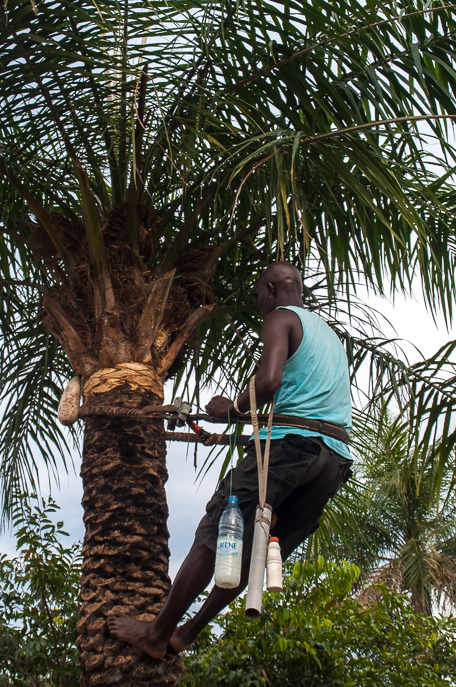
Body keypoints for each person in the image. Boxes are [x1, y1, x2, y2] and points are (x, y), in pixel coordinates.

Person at [108, 261, 353, 658]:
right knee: (256, 548)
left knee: (220, 532)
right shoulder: (329, 336)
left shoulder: (280, 318)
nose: (258, 302)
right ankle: (187, 633)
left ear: (271, 290)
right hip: (333, 460)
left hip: (290, 448)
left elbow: (270, 381)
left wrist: (233, 410)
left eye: (258, 293)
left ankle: (157, 633)